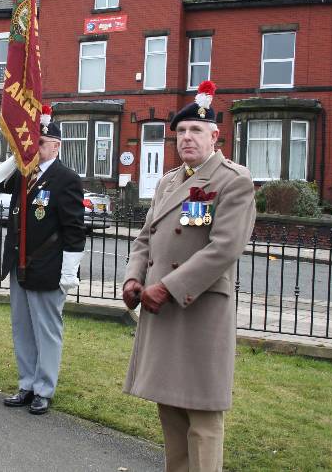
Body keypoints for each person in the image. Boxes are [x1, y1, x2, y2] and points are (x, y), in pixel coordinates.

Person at [121, 81, 256, 471]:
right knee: (171, 411)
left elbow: (224, 248)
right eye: (180, 131)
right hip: (160, 305)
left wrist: (168, 287)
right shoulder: (168, 181)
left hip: (198, 308)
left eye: (196, 130)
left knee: (203, 415)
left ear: (215, 135)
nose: (186, 138)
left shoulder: (233, 180)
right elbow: (145, 237)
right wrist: (134, 278)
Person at [0, 107, 85, 415]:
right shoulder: (24, 172)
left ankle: (44, 388)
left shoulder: (65, 178)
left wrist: (69, 273)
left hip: (48, 267)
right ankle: (26, 383)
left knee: (46, 330)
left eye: (40, 142)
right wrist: (18, 154)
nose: (36, 147)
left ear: (56, 145)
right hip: (20, 264)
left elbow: (74, 231)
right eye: (32, 142)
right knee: (22, 328)